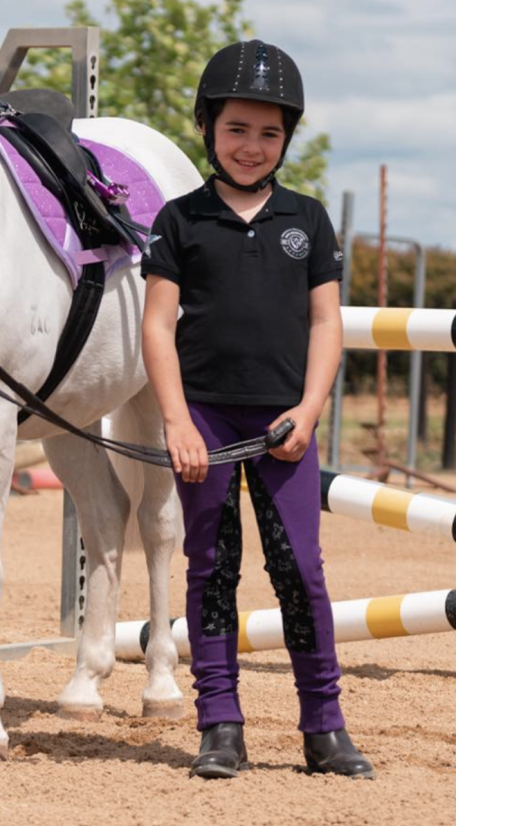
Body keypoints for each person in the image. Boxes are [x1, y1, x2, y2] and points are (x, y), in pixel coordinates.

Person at [140, 40, 374, 780]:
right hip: (205, 421)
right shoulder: (179, 222)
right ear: (208, 128)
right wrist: (176, 420)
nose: (252, 146)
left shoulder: (308, 221)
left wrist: (307, 412)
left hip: (282, 424)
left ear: (287, 139)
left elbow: (327, 324)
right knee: (212, 565)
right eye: (237, 128)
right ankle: (221, 727)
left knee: (300, 567)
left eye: (269, 133)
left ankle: (324, 726)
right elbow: (156, 325)